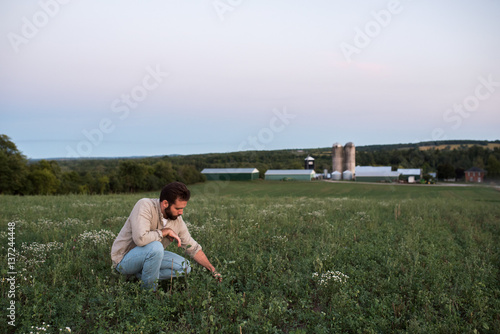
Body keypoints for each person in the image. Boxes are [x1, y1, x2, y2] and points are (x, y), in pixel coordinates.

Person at [111, 181, 221, 289]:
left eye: (183, 208)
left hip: (150, 256)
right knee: (156, 247)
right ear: (165, 203)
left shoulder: (177, 221)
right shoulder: (145, 205)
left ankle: (141, 276)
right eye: (178, 208)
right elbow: (140, 239)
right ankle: (149, 293)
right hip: (124, 260)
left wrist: (212, 269)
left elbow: (193, 247)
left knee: (185, 267)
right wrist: (164, 232)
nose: (181, 212)